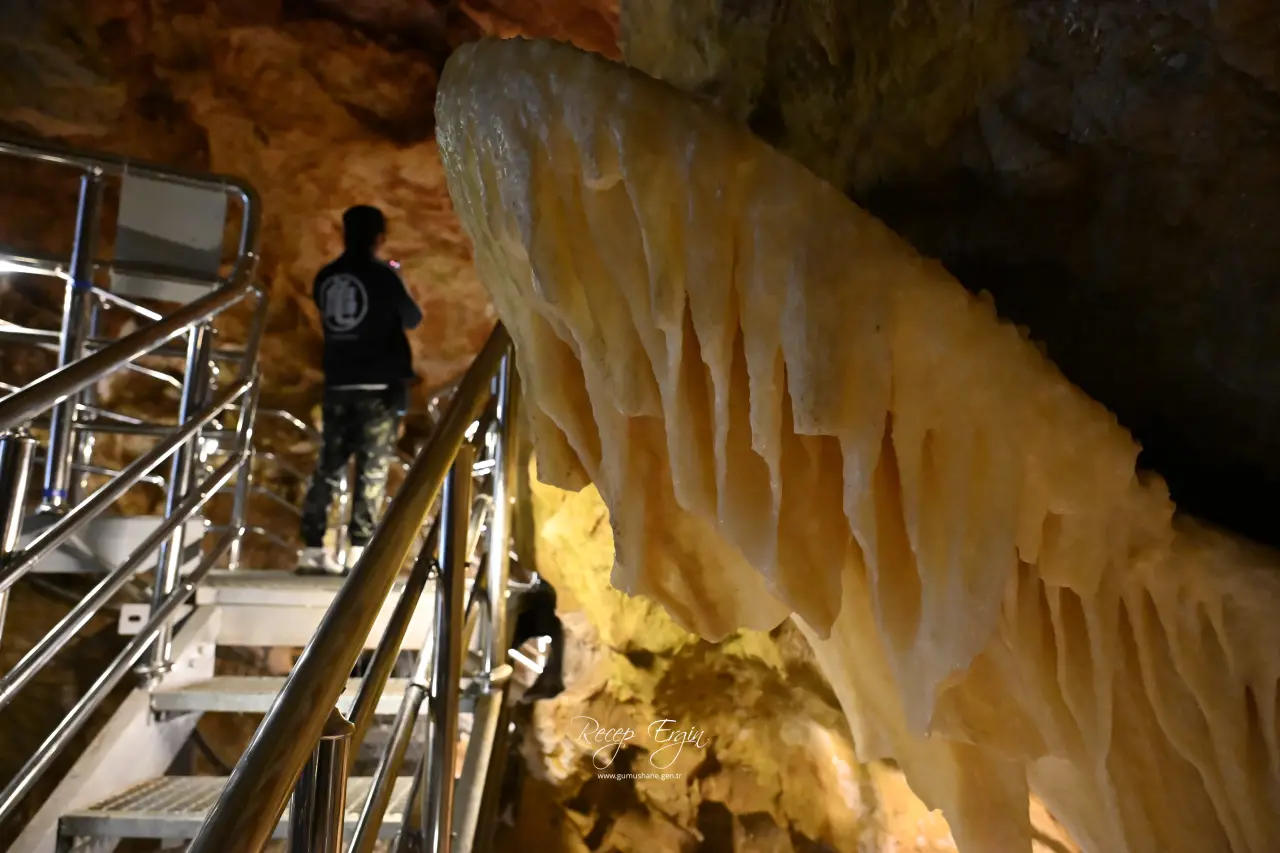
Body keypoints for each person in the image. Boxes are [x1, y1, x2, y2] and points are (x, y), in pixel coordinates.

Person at [297, 205, 422, 575]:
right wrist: (398, 280)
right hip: (377, 387)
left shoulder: (327, 276)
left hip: (338, 383)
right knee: (372, 469)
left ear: (344, 233)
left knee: (328, 466)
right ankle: (357, 551)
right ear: (378, 237)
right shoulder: (382, 276)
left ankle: (311, 548)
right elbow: (412, 317)